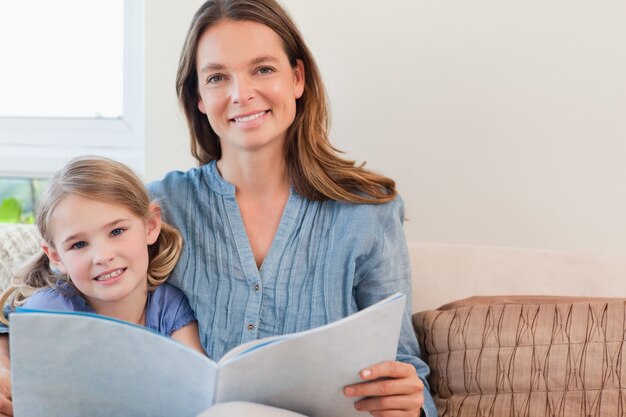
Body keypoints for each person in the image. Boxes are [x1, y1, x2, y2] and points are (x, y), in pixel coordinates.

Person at [149, 0, 437, 416]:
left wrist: (409, 402)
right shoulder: (160, 207)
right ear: (198, 96)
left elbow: (404, 367)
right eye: (217, 77)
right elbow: (50, 289)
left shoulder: (368, 211)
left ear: (297, 78)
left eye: (263, 69)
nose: (241, 94)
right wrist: (14, 357)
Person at [0, 156, 205, 413]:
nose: (102, 256)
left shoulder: (169, 306)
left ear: (151, 226)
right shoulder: (52, 311)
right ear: (56, 257)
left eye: (116, 231)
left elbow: (199, 386)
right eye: (79, 244)